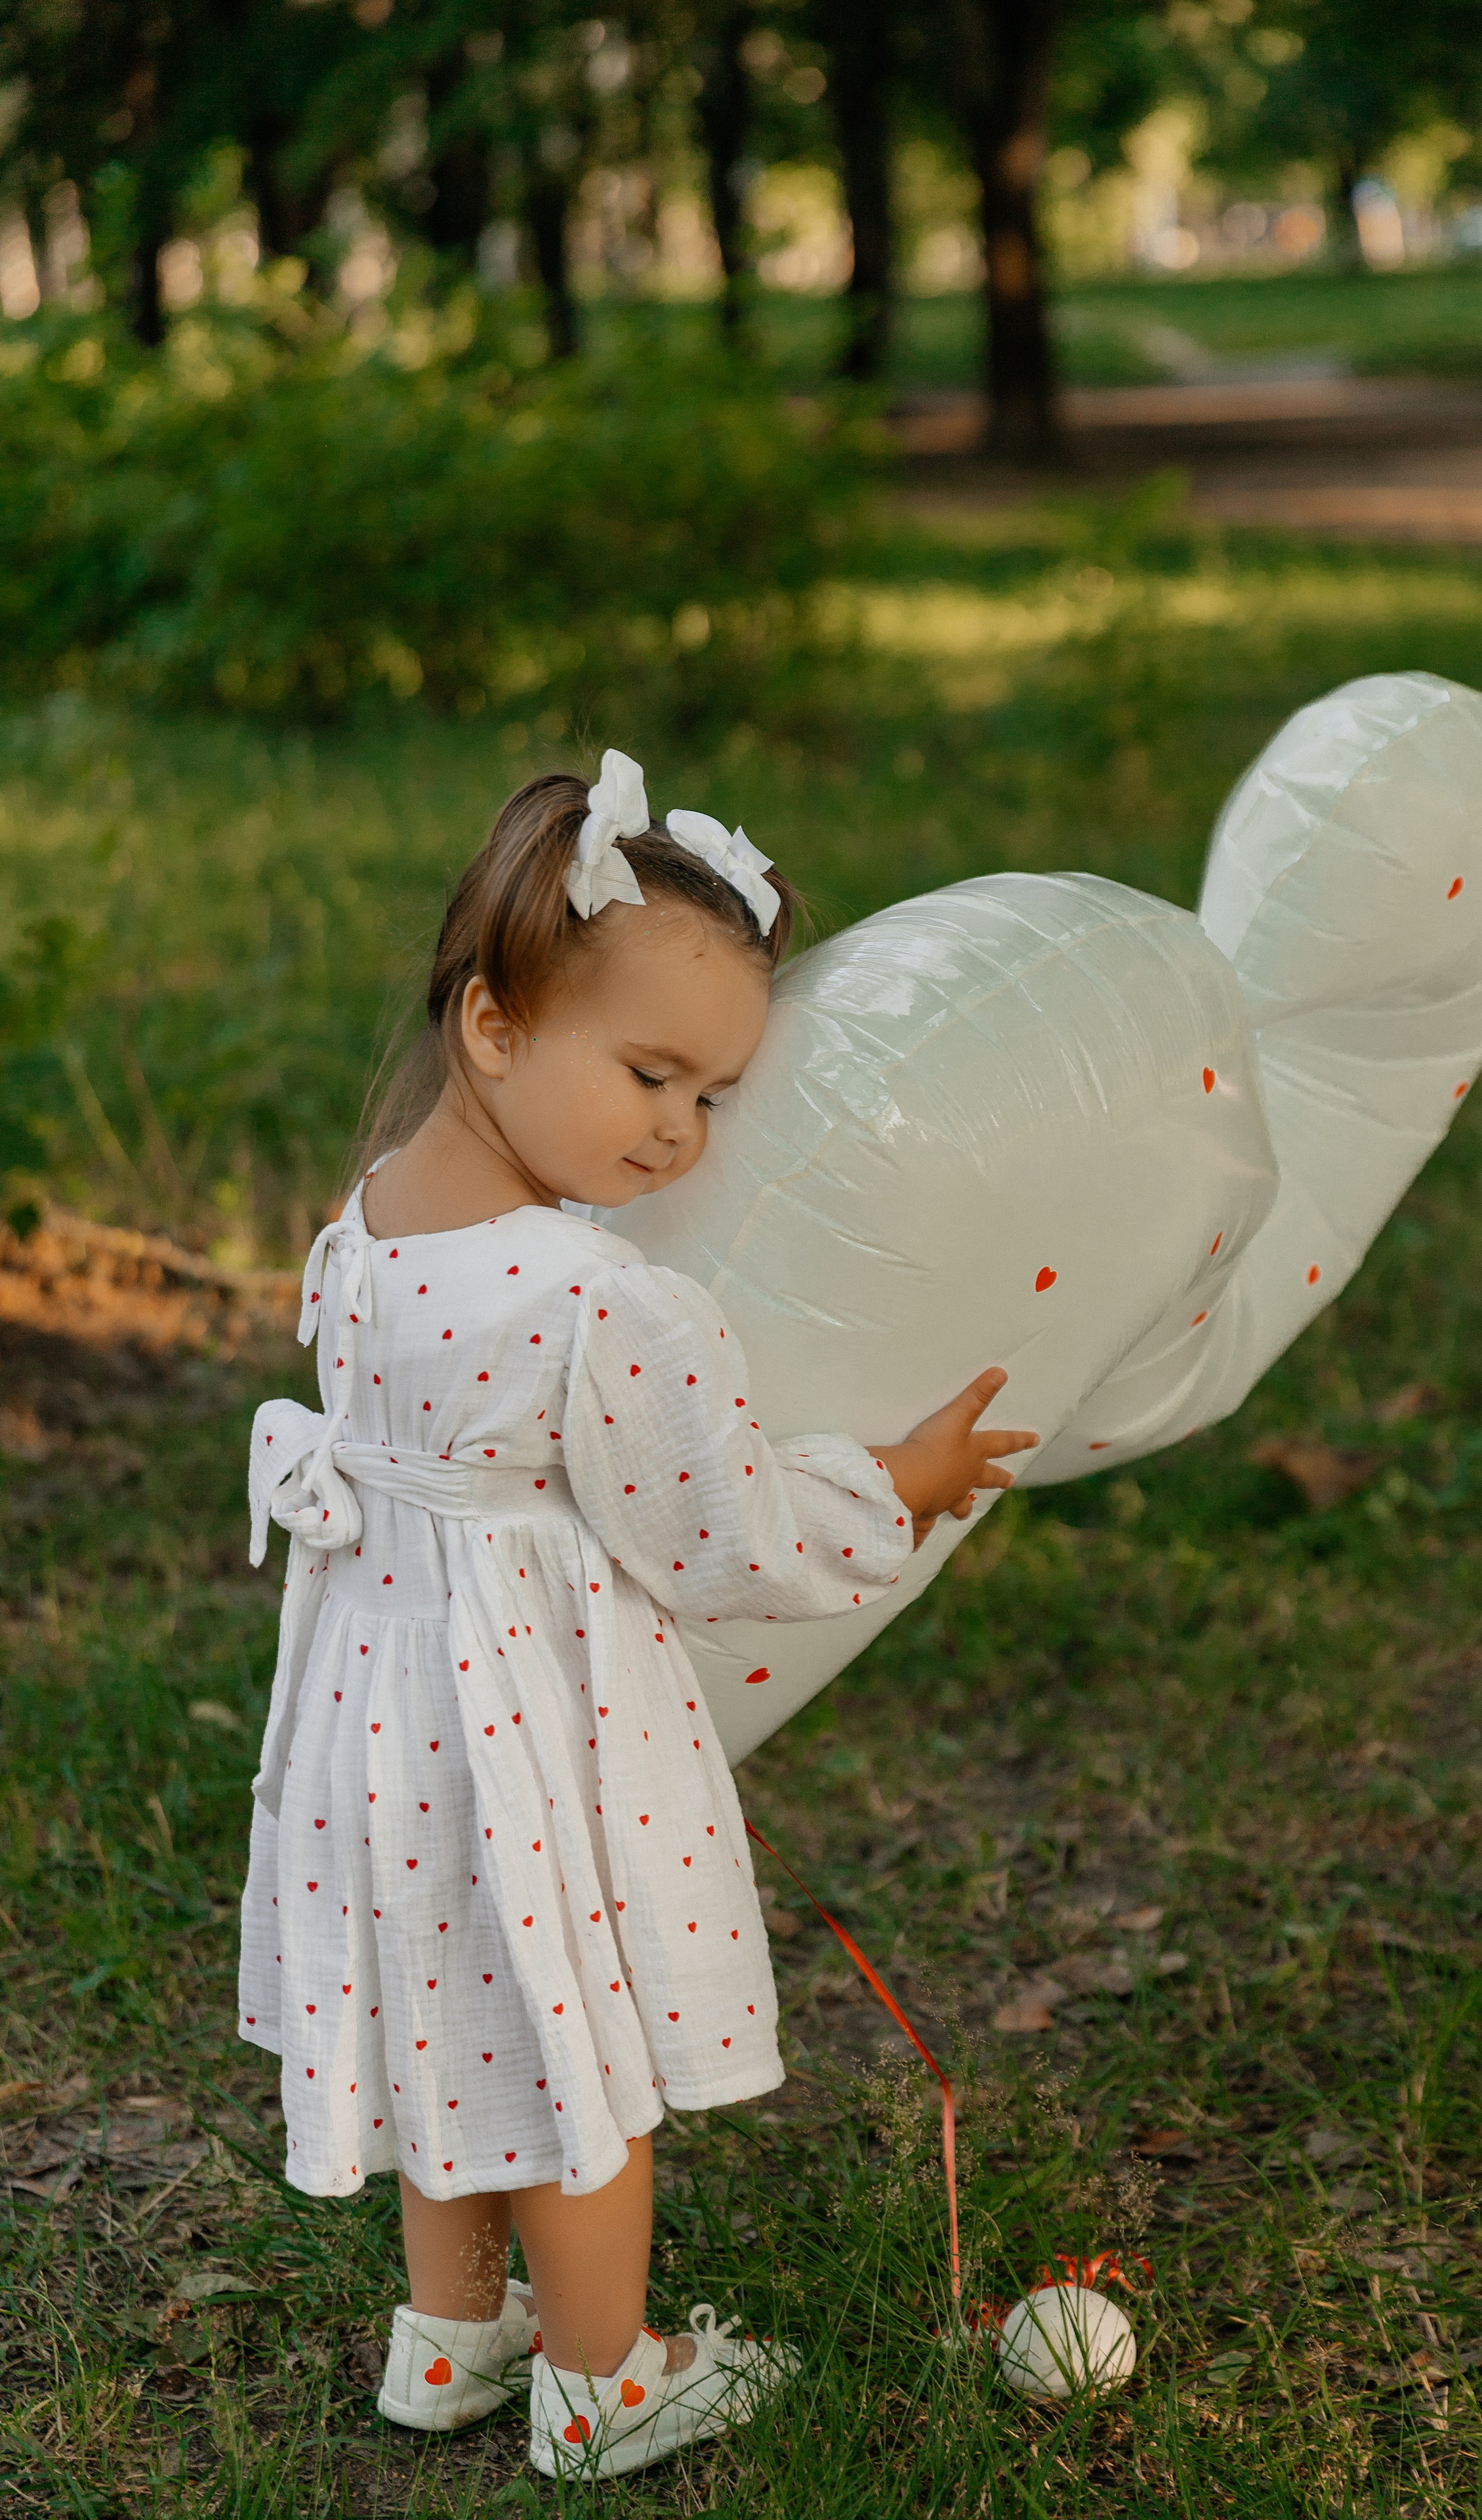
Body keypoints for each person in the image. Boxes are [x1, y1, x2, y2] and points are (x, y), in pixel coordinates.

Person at [241, 751, 1035, 2483]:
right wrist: (895, 1483)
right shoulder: (600, 1295)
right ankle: (603, 2381)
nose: (679, 1129)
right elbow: (715, 1532)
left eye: (714, 1096)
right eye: (650, 1073)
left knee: (457, 2019)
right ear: (494, 1026)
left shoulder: (369, 1224)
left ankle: (452, 2336)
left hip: (379, 1710)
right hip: (523, 1725)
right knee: (572, 2053)